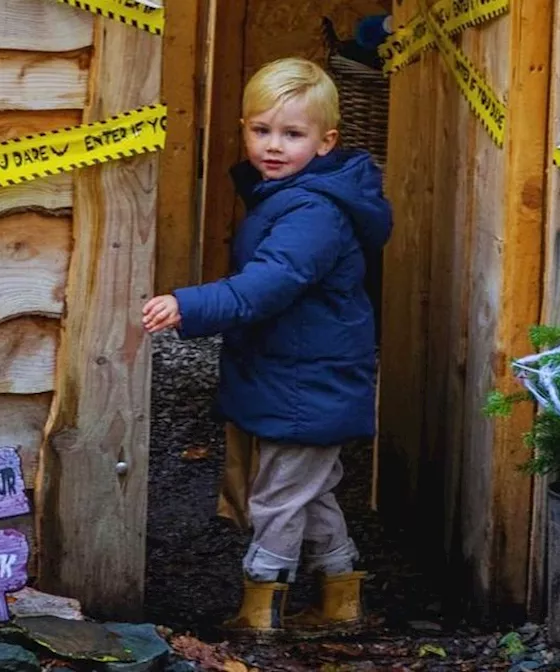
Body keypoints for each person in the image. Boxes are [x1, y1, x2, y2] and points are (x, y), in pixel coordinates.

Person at [141, 56, 392, 640]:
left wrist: (189, 304)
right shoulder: (287, 195)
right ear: (243, 128)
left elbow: (269, 283)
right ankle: (341, 595)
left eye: (292, 134)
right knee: (309, 488)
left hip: (308, 382)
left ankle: (260, 607)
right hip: (297, 374)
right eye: (261, 130)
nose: (272, 146)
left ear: (326, 142)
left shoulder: (315, 211)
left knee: (276, 497)